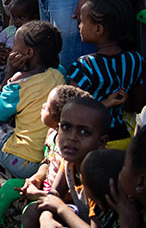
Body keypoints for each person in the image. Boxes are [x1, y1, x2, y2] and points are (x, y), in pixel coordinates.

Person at [0, 85, 91, 226]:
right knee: (10, 187)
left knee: (30, 212)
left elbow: (72, 192)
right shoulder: (52, 134)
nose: (43, 105)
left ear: (58, 119)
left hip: (64, 199)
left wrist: (38, 195)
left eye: (47, 106)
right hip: (45, 188)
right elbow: (47, 161)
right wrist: (37, 178)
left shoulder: (71, 151)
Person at [0, 21, 65, 179]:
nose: (12, 48)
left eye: (15, 44)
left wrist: (10, 72)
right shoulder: (60, 73)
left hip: (22, 161)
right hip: (48, 158)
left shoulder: (19, 82)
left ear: (28, 53)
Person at [68, 0, 144, 149]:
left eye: (82, 21)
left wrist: (105, 103)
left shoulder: (84, 66)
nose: (79, 26)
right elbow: (137, 104)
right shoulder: (134, 59)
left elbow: (73, 113)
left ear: (98, 29)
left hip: (90, 143)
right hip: (122, 138)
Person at [21, 97, 110, 228]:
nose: (72, 137)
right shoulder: (70, 161)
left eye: (84, 132)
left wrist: (60, 208)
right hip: (81, 216)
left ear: (101, 142)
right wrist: (47, 217)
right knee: (32, 213)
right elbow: (55, 193)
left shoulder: (99, 176)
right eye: (66, 127)